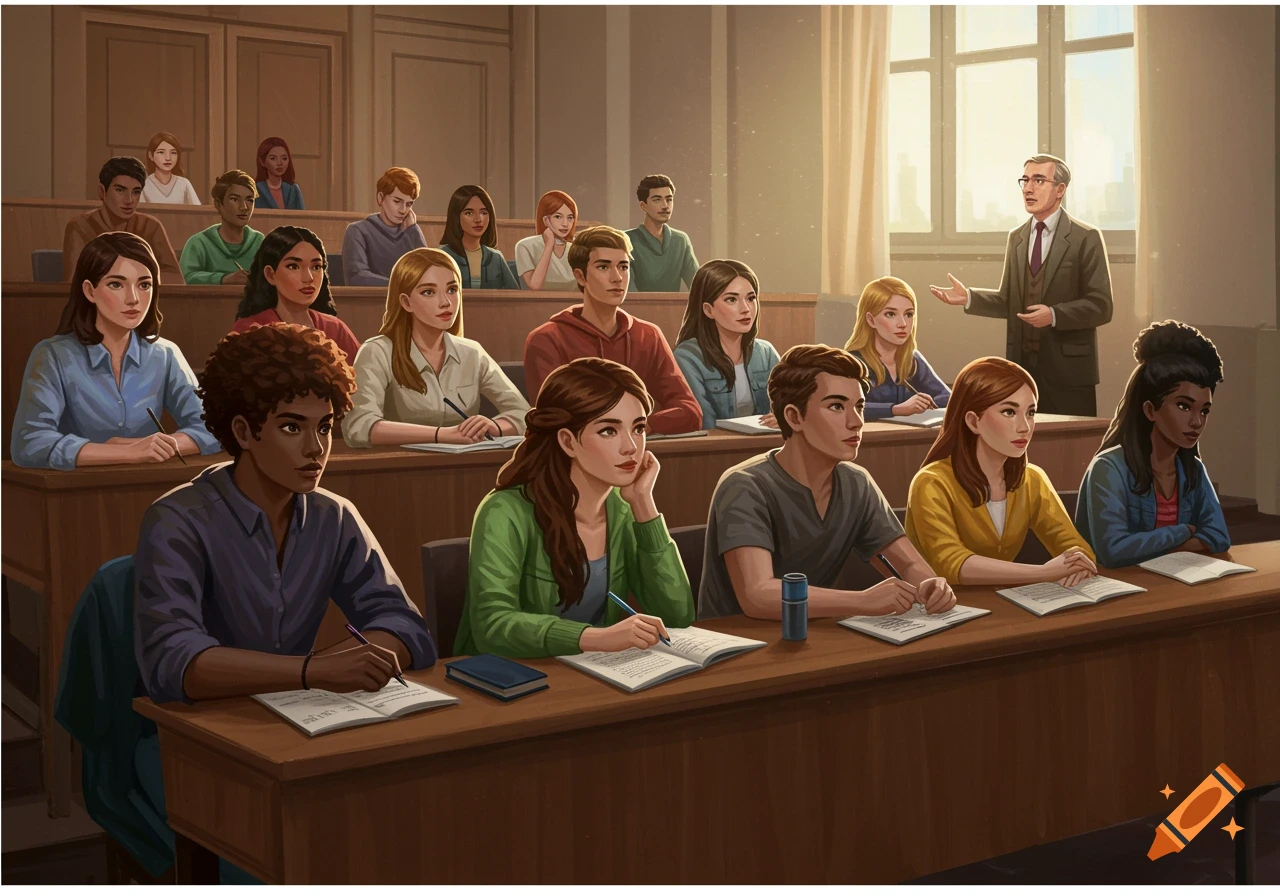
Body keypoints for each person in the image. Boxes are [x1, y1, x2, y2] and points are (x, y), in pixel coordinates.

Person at [133, 322, 436, 882]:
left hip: (298, 730)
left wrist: (368, 657)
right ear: (244, 430)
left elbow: (405, 624)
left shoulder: (332, 514)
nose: (315, 448)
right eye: (292, 427)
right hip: (194, 741)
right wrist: (313, 670)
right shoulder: (177, 520)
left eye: (325, 427)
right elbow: (175, 664)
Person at [455, 357, 694, 658]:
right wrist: (594, 638)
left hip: (598, 675)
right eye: (609, 430)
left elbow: (678, 616)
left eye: (639, 428)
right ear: (567, 441)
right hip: (517, 682)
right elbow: (493, 626)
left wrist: (644, 505)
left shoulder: (622, 509)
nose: (631, 447)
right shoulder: (504, 511)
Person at [698, 344, 957, 621]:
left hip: (815, 636)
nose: (856, 422)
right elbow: (758, 595)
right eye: (836, 406)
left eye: (859, 406)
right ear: (794, 417)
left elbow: (908, 563)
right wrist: (862, 601)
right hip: (740, 645)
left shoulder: (856, 482)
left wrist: (931, 585)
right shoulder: (745, 486)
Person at [12, 232, 219, 469]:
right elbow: (29, 443)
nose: (133, 299)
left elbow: (212, 427)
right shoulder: (53, 355)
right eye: (116, 284)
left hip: (148, 484)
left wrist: (154, 447)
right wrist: (127, 453)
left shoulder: (165, 354)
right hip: (76, 490)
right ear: (90, 291)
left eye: (144, 285)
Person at [929, 154, 1113, 416]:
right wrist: (968, 297)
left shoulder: (1086, 237)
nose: (1028, 188)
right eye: (1025, 180)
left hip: (1069, 374)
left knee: (1068, 447)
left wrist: (1054, 315)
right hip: (1022, 368)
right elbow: (1009, 300)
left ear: (1060, 189)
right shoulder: (1017, 237)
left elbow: (1102, 305)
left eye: (1039, 180)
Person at [904, 357, 1097, 586]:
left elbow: (1076, 547)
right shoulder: (931, 482)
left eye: (1031, 412)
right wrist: (1043, 573)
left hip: (1003, 604)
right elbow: (951, 564)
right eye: (1009, 412)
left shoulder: (1032, 479)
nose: (1024, 427)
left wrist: (1078, 562)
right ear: (973, 421)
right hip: (943, 610)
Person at [1075, 321, 1230, 567]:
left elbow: (1219, 536)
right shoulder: (1108, 468)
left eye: (1205, 411)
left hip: (1172, 584)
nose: (1196, 421)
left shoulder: (1193, 469)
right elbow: (1113, 551)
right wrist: (1182, 532)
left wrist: (1154, 547)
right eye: (1184, 406)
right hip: (1115, 592)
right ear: (1150, 410)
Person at [523, 225, 701, 434]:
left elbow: (689, 411)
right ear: (580, 277)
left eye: (623, 267)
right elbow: (553, 421)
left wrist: (641, 428)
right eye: (603, 267)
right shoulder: (547, 339)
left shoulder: (648, 335)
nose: (617, 277)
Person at [344, 248, 529, 448]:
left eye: (452, 289)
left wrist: (494, 426)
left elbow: (524, 413)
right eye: (428, 292)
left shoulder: (472, 352)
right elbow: (359, 427)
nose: (446, 302)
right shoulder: (377, 351)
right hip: (399, 470)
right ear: (406, 302)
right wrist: (442, 435)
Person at [673, 258, 780, 429]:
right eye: (731, 299)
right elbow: (704, 422)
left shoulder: (765, 353)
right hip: (717, 449)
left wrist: (783, 420)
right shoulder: (688, 356)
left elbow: (789, 408)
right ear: (708, 309)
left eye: (751, 298)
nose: (745, 308)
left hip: (764, 443)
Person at [231, 226, 361, 363]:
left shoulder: (335, 328)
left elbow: (362, 377)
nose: (309, 277)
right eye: (294, 266)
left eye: (316, 267)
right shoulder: (248, 330)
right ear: (270, 274)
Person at [844, 276, 951, 421]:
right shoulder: (852, 362)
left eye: (909, 314)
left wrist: (922, 405)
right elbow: (847, 407)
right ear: (870, 319)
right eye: (891, 314)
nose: (903, 324)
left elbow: (947, 397)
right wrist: (897, 409)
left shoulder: (912, 358)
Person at [62, 157, 183, 283]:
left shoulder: (150, 226)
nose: (129, 200)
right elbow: (74, 283)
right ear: (102, 191)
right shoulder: (80, 227)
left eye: (136, 192)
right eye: (120, 190)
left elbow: (175, 279)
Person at [342, 166, 428, 286]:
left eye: (408, 204)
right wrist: (399, 286)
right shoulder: (358, 231)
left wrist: (414, 231)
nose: (403, 210)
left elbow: (428, 273)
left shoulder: (411, 231)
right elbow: (356, 277)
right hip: (372, 302)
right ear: (380, 198)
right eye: (397, 201)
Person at [178, 170, 264, 285]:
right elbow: (186, 278)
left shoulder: (260, 241)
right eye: (234, 199)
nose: (244, 207)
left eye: (250, 200)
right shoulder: (199, 243)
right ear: (218, 204)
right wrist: (224, 279)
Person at [625, 174, 699, 292]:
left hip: (674, 309)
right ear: (643, 205)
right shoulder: (626, 240)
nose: (665, 206)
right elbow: (629, 293)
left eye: (669, 199)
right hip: (635, 309)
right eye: (657, 200)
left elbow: (698, 286)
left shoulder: (680, 240)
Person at [438, 184, 520, 289]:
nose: (478, 219)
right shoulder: (443, 256)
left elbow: (513, 296)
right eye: (469, 213)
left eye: (483, 213)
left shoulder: (496, 257)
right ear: (456, 217)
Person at [514, 190, 579, 290]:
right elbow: (535, 285)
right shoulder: (525, 246)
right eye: (558, 217)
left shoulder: (576, 249)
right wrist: (549, 245)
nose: (565, 223)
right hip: (537, 304)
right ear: (546, 220)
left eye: (570, 218)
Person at [139, 131, 200, 205]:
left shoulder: (184, 184)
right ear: (151, 155)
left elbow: (197, 211)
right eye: (161, 152)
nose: (168, 158)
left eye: (173, 153)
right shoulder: (143, 184)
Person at [253, 136, 305, 210]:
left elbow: (303, 217)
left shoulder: (293, 189)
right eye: (273, 158)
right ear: (262, 162)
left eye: (284, 158)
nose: (280, 163)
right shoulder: (254, 189)